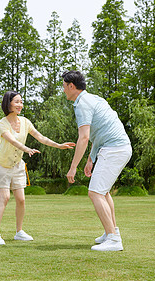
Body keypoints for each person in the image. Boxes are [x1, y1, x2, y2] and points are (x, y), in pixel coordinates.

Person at [0, 91, 76, 245]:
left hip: (17, 165)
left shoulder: (25, 122)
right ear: (8, 103)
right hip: (2, 164)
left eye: (21, 102)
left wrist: (58, 145)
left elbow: (40, 137)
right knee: (5, 197)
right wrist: (27, 149)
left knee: (21, 199)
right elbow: (12, 141)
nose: (20, 105)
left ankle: (19, 232)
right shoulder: (2, 123)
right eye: (17, 102)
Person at [62, 70, 132, 251]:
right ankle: (111, 232)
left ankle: (114, 241)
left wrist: (73, 167)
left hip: (114, 149)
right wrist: (91, 159)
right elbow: (98, 134)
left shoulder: (82, 104)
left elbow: (83, 138)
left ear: (71, 86)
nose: (63, 90)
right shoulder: (93, 99)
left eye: (64, 85)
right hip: (115, 147)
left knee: (94, 192)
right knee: (103, 191)